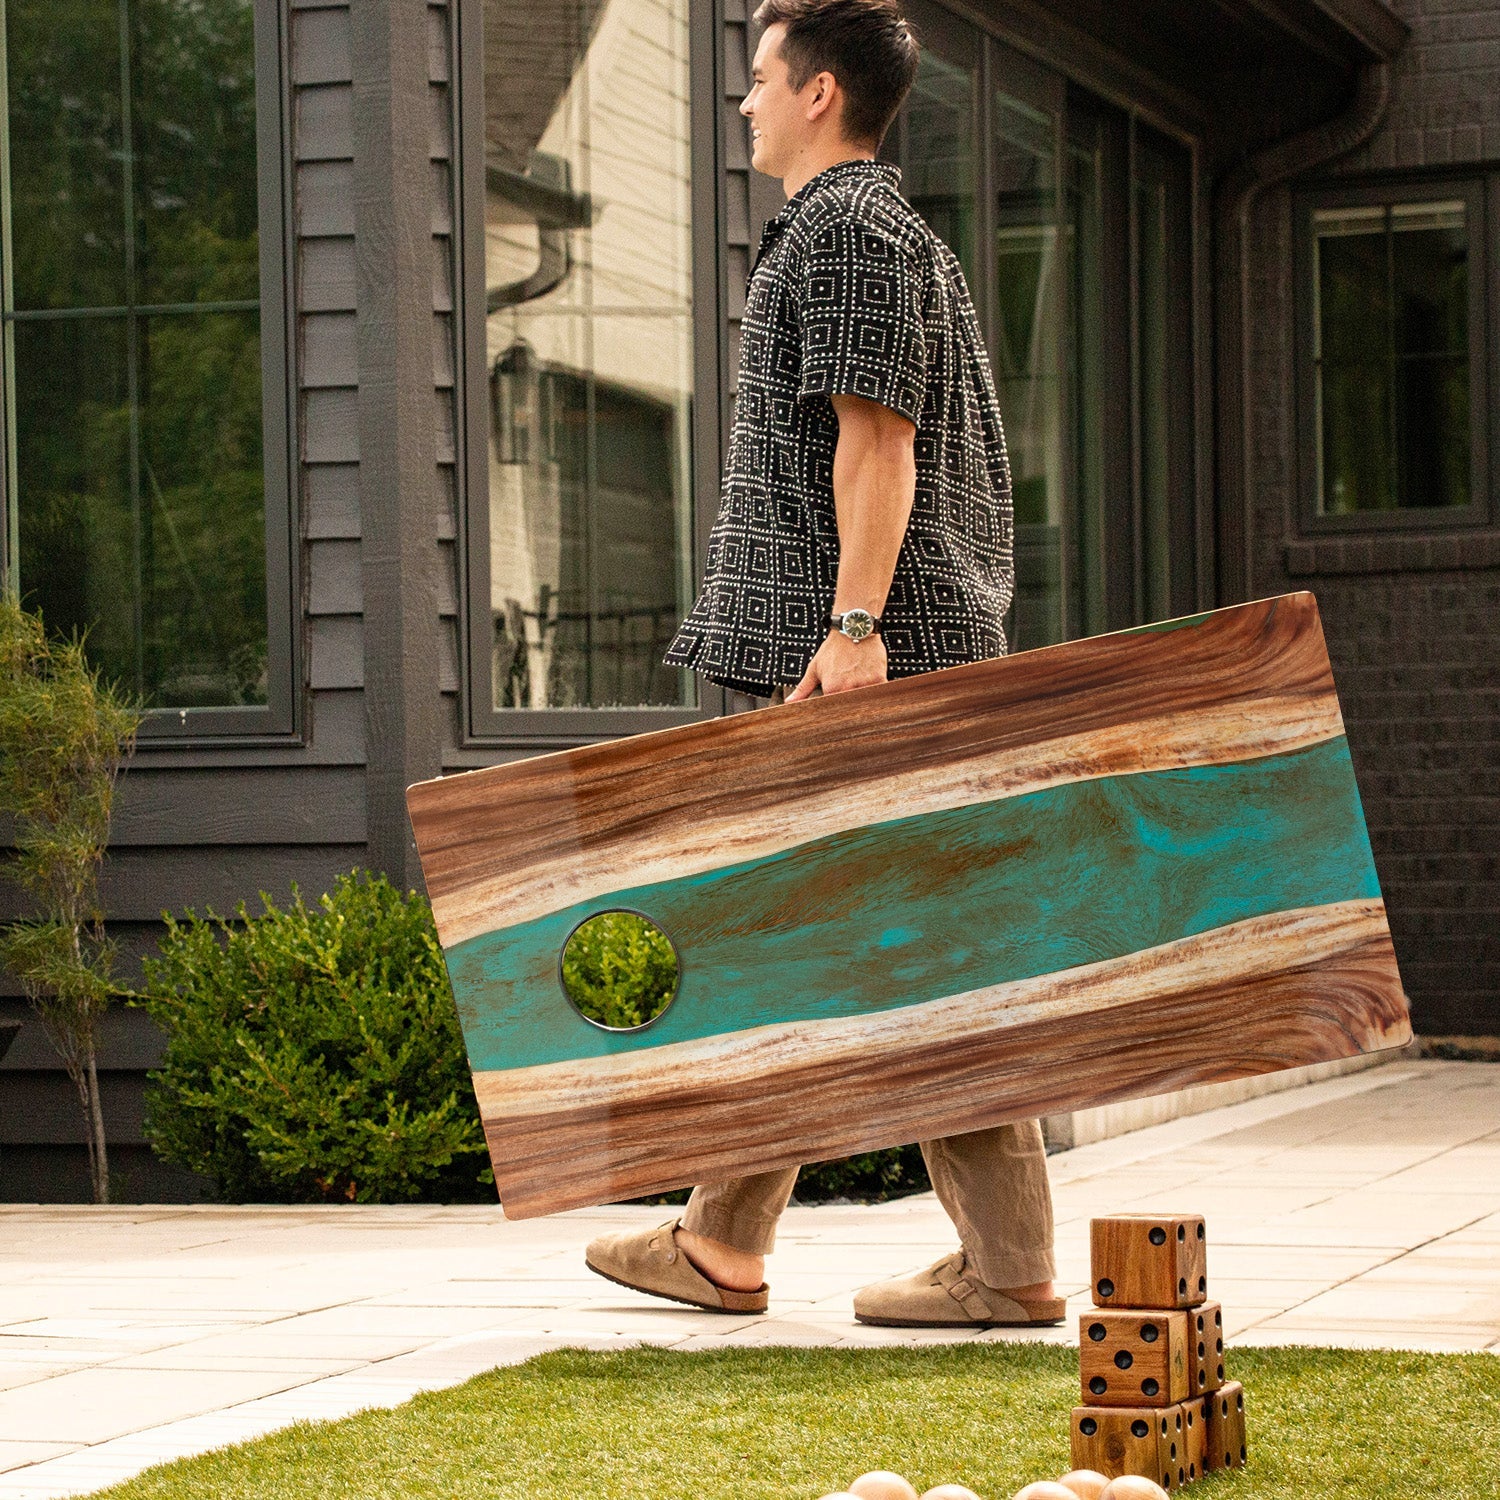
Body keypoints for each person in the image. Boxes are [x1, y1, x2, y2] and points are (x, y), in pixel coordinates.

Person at [584, 0, 1061, 1329]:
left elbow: (879, 442)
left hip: (847, 654)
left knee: (907, 951)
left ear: (820, 93)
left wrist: (855, 635)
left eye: (755, 79)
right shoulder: (859, 234)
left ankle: (999, 1264)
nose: (740, 102)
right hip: (846, 646)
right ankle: (727, 1237)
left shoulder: (851, 233)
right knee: (820, 944)